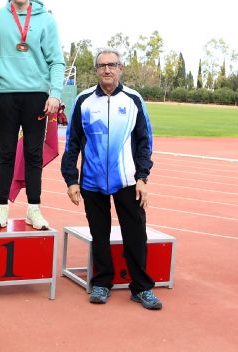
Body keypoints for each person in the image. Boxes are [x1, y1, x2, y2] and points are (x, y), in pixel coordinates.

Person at [60, 48, 162, 310]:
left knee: (135, 234)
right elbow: (72, 143)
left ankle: (141, 287)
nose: (107, 69)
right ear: (96, 70)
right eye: (102, 65)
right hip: (92, 180)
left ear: (120, 68)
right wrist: (71, 179)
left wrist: (142, 177)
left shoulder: (133, 99)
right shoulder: (84, 100)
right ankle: (102, 282)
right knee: (99, 233)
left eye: (112, 65)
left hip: (128, 180)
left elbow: (144, 142)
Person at [0, 0, 65, 230]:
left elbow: (57, 60)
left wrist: (55, 93)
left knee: (33, 154)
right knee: (5, 153)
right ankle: (0, 209)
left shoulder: (46, 20)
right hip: (6, 94)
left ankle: (34, 208)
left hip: (36, 95)